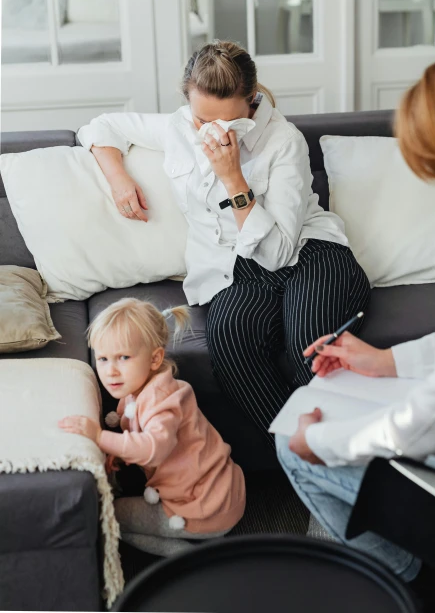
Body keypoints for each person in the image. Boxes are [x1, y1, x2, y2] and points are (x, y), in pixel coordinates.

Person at [276, 39, 435, 583]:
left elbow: (429, 425)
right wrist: (386, 361)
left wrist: (316, 441)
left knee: (290, 446)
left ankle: (407, 585)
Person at [77, 40, 370, 442]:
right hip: (235, 269)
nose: (214, 132)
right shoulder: (177, 128)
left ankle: (344, 454)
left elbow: (278, 252)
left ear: (251, 101)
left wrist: (234, 178)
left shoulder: (284, 140)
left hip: (307, 252)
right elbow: (99, 127)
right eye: (202, 120)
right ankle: (301, 450)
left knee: (311, 346)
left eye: (230, 122)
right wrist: (118, 179)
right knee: (232, 342)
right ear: (188, 101)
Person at [58, 297, 246, 557]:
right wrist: (120, 455)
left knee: (106, 515)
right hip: (222, 489)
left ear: (155, 358)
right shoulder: (144, 388)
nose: (110, 371)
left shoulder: (159, 400)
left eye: (123, 357)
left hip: (204, 507)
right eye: (102, 359)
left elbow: (155, 448)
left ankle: (192, 558)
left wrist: (99, 436)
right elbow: (139, 429)